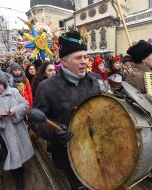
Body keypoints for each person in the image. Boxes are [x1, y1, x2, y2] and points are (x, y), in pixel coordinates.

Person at [33, 30, 101, 190]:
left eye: (85, 57)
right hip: (65, 151)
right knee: (78, 185)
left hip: (92, 146)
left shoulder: (94, 82)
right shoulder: (46, 87)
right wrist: (55, 133)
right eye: (78, 58)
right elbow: (37, 122)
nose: (84, 61)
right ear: (64, 61)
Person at [125, 40, 152, 189]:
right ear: (143, 59)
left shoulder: (149, 72)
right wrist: (151, 99)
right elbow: (129, 99)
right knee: (149, 147)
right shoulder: (134, 75)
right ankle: (150, 174)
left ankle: (150, 172)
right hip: (144, 120)